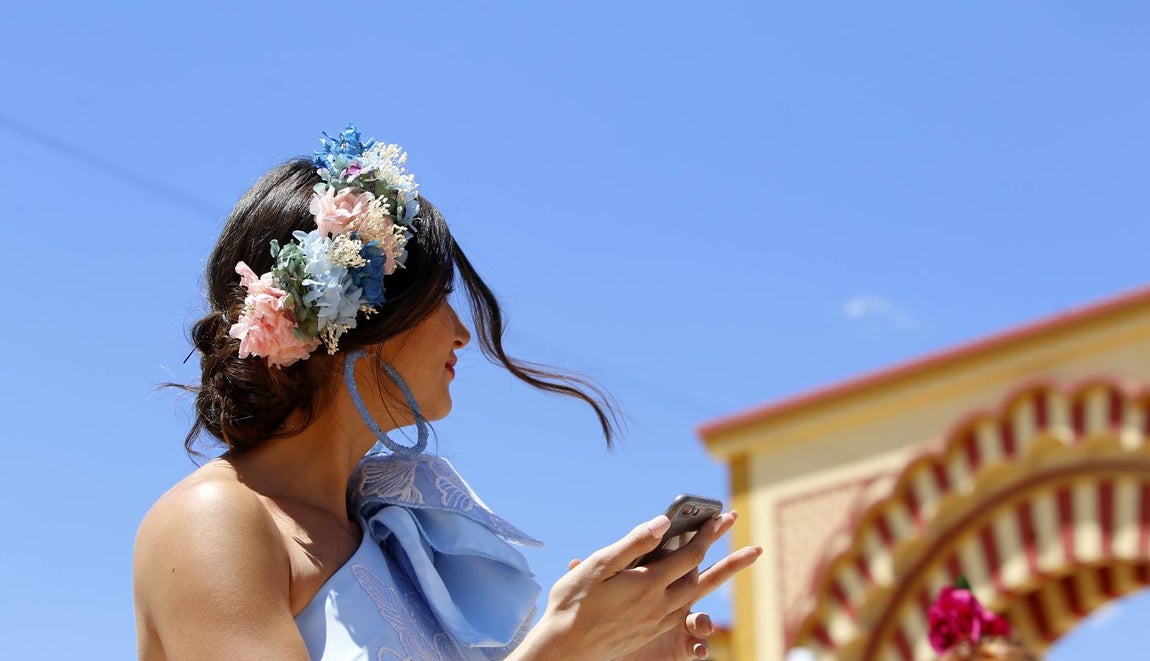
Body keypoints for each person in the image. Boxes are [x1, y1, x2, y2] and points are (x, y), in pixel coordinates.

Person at [133, 125, 762, 660]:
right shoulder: (218, 521)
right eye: (439, 301)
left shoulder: (391, 531)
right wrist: (561, 648)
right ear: (360, 325)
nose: (462, 332)